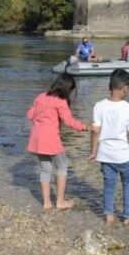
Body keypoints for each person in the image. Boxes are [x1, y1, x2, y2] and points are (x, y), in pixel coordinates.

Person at [26, 73, 89, 210]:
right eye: (70, 90)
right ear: (66, 89)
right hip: (51, 140)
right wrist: (86, 127)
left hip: (36, 140)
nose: (71, 93)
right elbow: (69, 121)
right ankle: (60, 202)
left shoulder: (41, 97)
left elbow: (30, 115)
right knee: (62, 166)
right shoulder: (60, 101)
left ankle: (47, 203)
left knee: (45, 169)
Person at [88, 69, 129, 225]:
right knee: (128, 185)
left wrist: (93, 152)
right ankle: (127, 217)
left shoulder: (98, 106)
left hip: (105, 155)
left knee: (109, 187)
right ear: (125, 88)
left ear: (110, 86)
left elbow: (95, 132)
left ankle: (109, 216)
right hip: (123, 155)